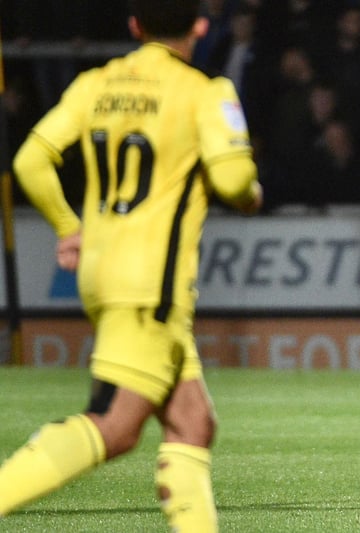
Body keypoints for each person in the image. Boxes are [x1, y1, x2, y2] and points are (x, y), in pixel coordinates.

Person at [1, 1, 263, 531]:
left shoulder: (95, 84)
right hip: (152, 284)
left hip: (100, 273)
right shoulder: (204, 93)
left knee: (193, 423)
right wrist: (251, 192)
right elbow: (235, 181)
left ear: (134, 26)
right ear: (200, 26)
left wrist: (67, 226)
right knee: (115, 426)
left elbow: (30, 159)